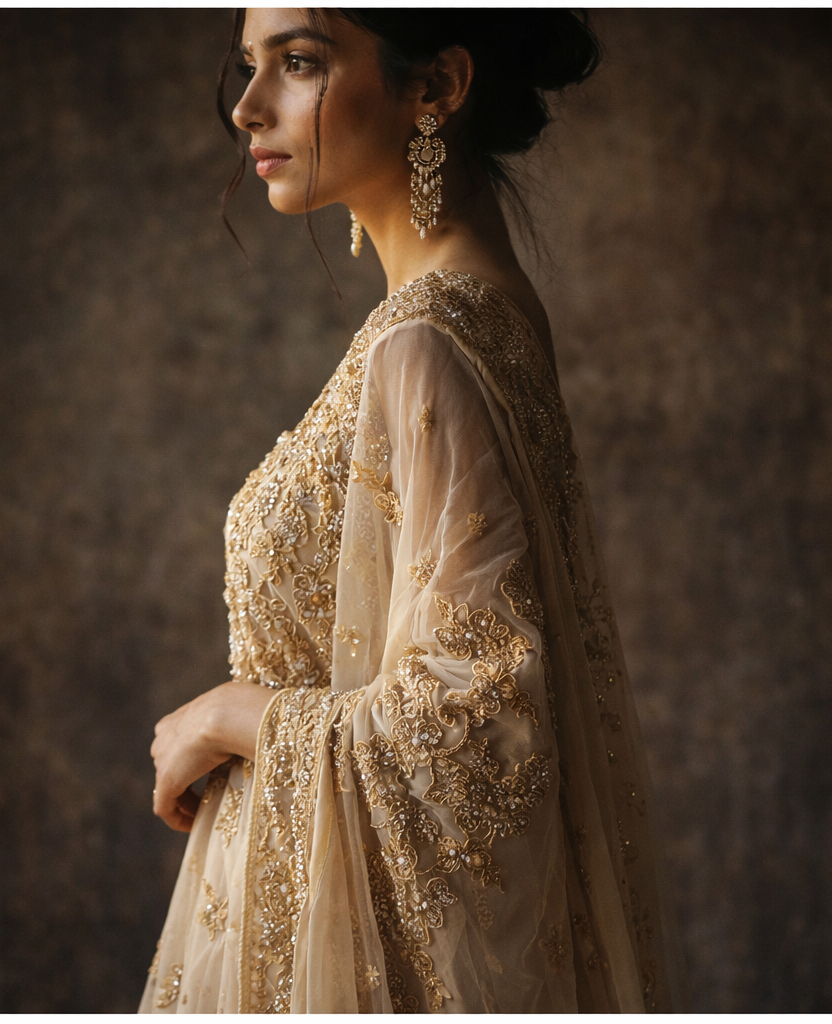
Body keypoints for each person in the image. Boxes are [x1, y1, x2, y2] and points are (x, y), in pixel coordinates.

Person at [139, 8, 688, 1013]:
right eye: (248, 66)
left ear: (435, 86)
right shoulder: (481, 312)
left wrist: (227, 716)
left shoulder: (426, 340)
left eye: (298, 63)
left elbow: (476, 731)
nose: (247, 108)